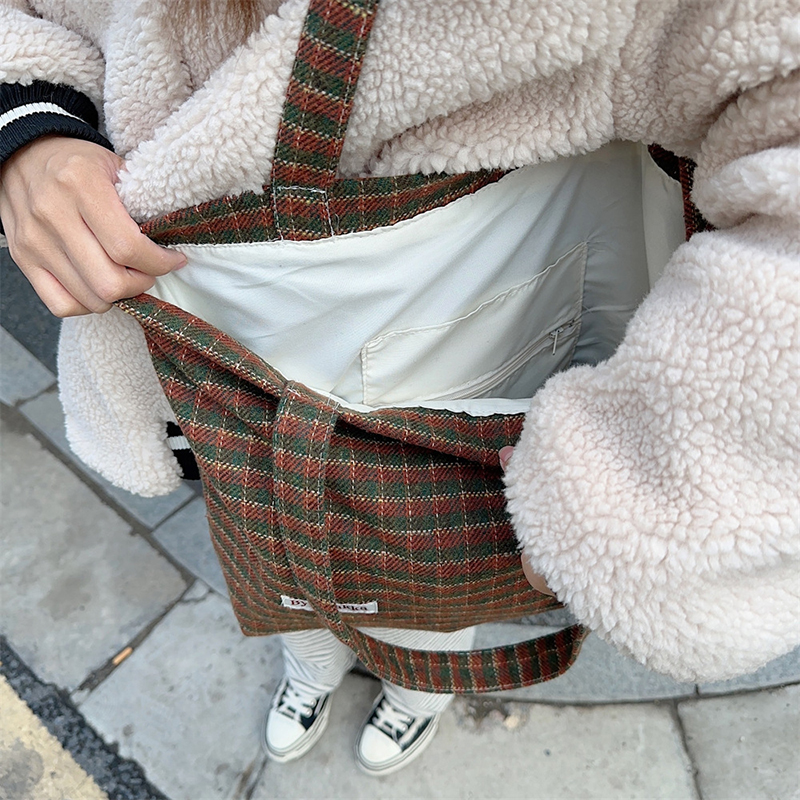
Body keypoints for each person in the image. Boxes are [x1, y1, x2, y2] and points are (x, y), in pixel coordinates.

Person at [1, 0, 798, 777]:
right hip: (212, 388)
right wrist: (29, 120)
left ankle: (415, 694)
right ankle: (314, 668)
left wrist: (652, 490)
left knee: (425, 595)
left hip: (452, 373)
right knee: (272, 567)